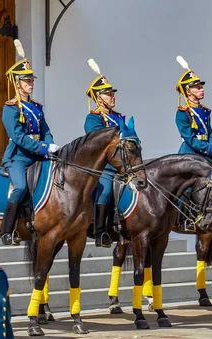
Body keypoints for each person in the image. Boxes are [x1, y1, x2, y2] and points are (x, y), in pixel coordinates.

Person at [1, 40, 59, 246]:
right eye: (27, 81)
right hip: (18, 157)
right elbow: (18, 137)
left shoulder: (36, 107)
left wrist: (51, 145)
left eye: (31, 80)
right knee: (21, 187)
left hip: (38, 155)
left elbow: (45, 130)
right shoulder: (10, 108)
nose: (31, 83)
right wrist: (42, 147)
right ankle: (6, 230)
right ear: (17, 84)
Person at [175, 56, 212, 232]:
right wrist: (210, 148)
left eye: (201, 86)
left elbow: (209, 132)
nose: (201, 89)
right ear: (188, 91)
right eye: (197, 87)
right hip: (189, 153)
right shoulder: (182, 113)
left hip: (205, 152)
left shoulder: (204, 111)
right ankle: (184, 219)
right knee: (187, 186)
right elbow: (190, 139)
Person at [84, 58, 124, 247]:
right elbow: (97, 145)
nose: (112, 97)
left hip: (124, 164)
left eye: (112, 93)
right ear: (98, 98)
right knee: (106, 190)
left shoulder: (119, 117)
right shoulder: (93, 119)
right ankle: (100, 232)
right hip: (105, 167)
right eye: (108, 94)